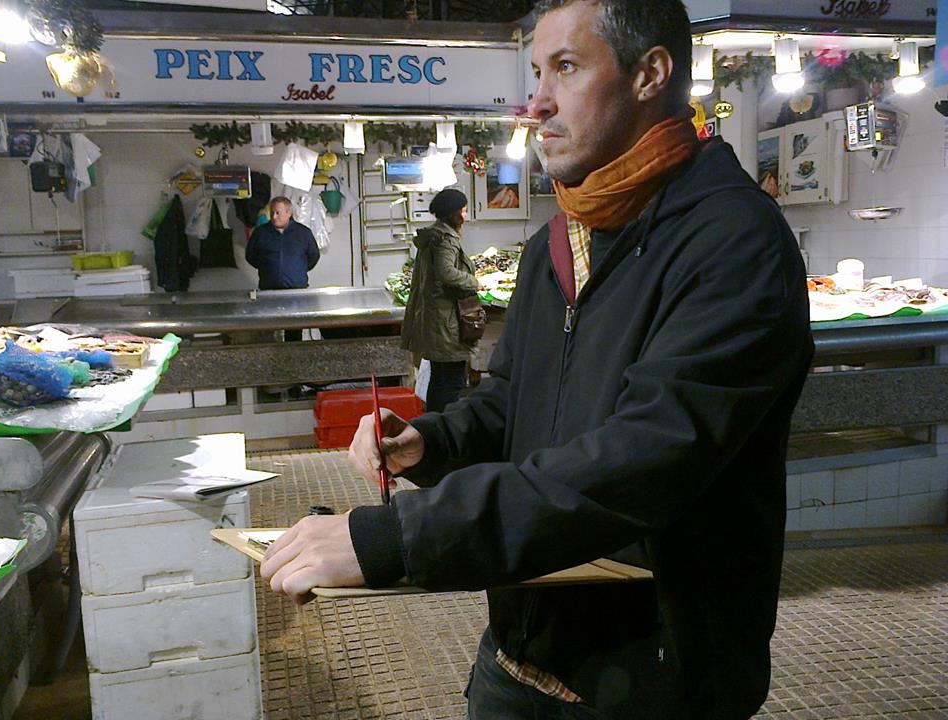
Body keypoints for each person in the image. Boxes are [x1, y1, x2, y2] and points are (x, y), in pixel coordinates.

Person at [260, 1, 813, 718]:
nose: (536, 102)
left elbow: (644, 462)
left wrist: (398, 536)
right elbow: (510, 400)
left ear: (650, 74)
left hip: (651, 677)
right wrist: (432, 441)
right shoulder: (557, 244)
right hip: (519, 652)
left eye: (567, 68)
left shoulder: (735, 242)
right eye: (536, 73)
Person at [399, 188, 481, 412]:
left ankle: (434, 423)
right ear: (454, 213)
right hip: (446, 321)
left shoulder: (433, 236)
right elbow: (446, 272)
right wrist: (474, 282)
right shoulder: (446, 239)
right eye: (463, 210)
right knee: (451, 382)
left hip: (434, 319)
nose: (465, 215)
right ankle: (445, 426)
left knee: (439, 378)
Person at [245, 195, 320, 341]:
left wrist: (298, 270)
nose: (274, 216)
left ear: (288, 213)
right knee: (268, 331)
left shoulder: (303, 233)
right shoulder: (261, 233)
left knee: (294, 333)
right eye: (272, 212)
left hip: (295, 292)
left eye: (278, 213)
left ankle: (293, 355)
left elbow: (313, 256)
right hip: (269, 291)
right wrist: (267, 268)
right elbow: (251, 256)